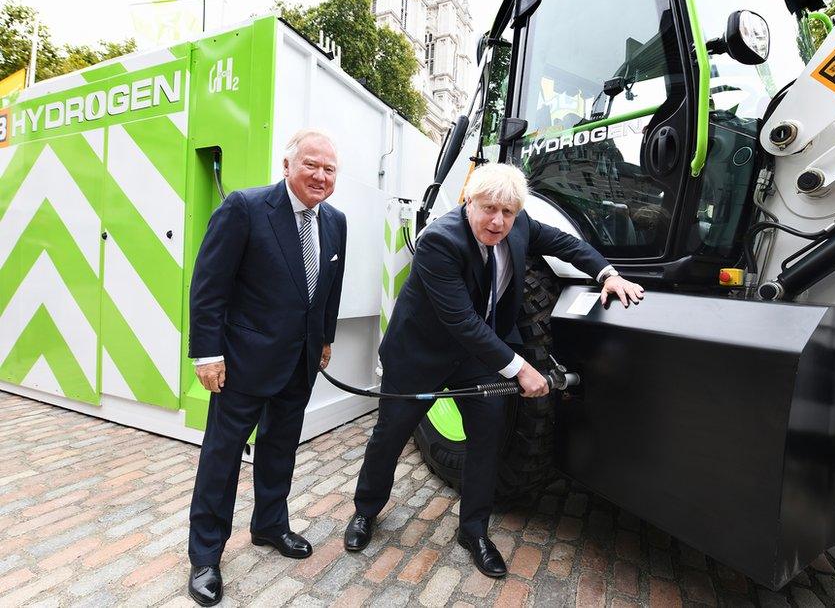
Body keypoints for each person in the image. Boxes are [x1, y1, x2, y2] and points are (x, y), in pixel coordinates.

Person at [344, 163, 643, 577]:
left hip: (476, 357)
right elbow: (461, 321)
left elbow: (562, 242)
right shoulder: (439, 241)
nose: (498, 221)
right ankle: (365, 511)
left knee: (487, 435)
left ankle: (474, 531)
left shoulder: (518, 225)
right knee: (390, 434)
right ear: (469, 201)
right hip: (422, 354)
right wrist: (521, 368)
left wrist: (607, 274)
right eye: (488, 208)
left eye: (508, 211)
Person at [185, 129, 346, 606]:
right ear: (287, 166)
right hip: (242, 364)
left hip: (299, 363)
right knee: (223, 456)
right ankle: (206, 556)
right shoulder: (245, 208)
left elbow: (327, 290)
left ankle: (270, 525)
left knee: (280, 449)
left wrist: (326, 340)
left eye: (329, 169)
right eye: (311, 165)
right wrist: (207, 353)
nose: (320, 176)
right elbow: (209, 284)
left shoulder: (335, 221)